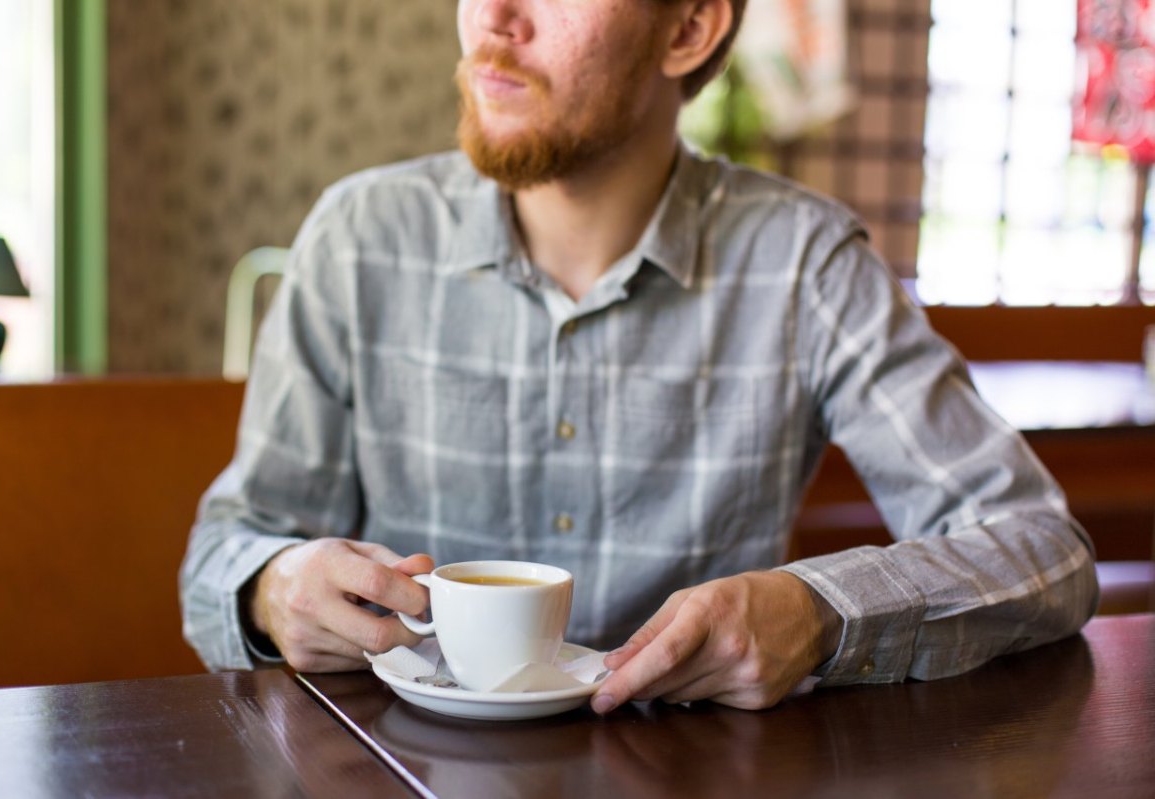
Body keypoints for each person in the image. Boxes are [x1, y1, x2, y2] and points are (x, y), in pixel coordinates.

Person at [181, 0, 1098, 714]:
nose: (493, 19)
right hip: (394, 767)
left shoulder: (803, 263)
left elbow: (1046, 553)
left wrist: (817, 612)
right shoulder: (359, 238)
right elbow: (225, 549)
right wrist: (272, 589)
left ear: (690, 28)